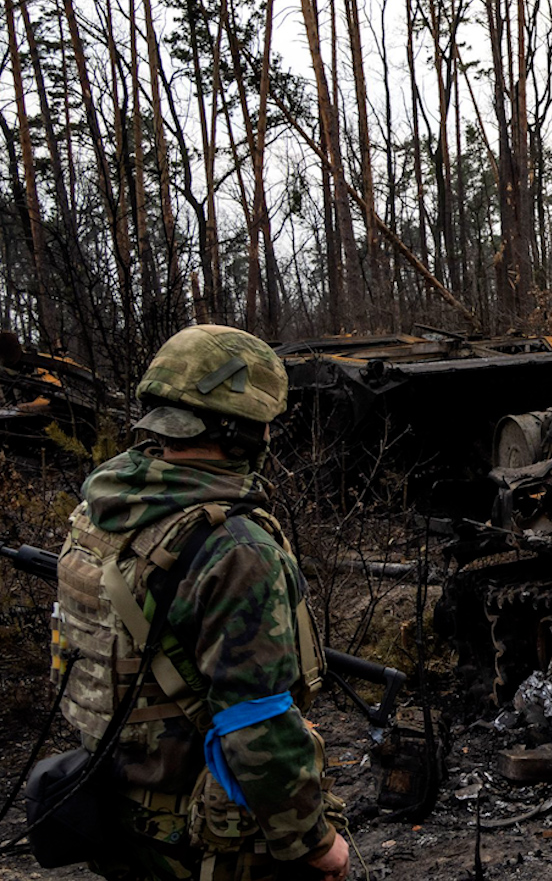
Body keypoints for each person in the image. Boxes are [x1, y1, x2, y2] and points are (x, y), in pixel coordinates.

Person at [51, 325, 349, 881]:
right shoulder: (235, 549)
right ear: (241, 431)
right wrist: (315, 842)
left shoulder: (107, 508)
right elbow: (255, 720)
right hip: (204, 840)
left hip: (118, 811)